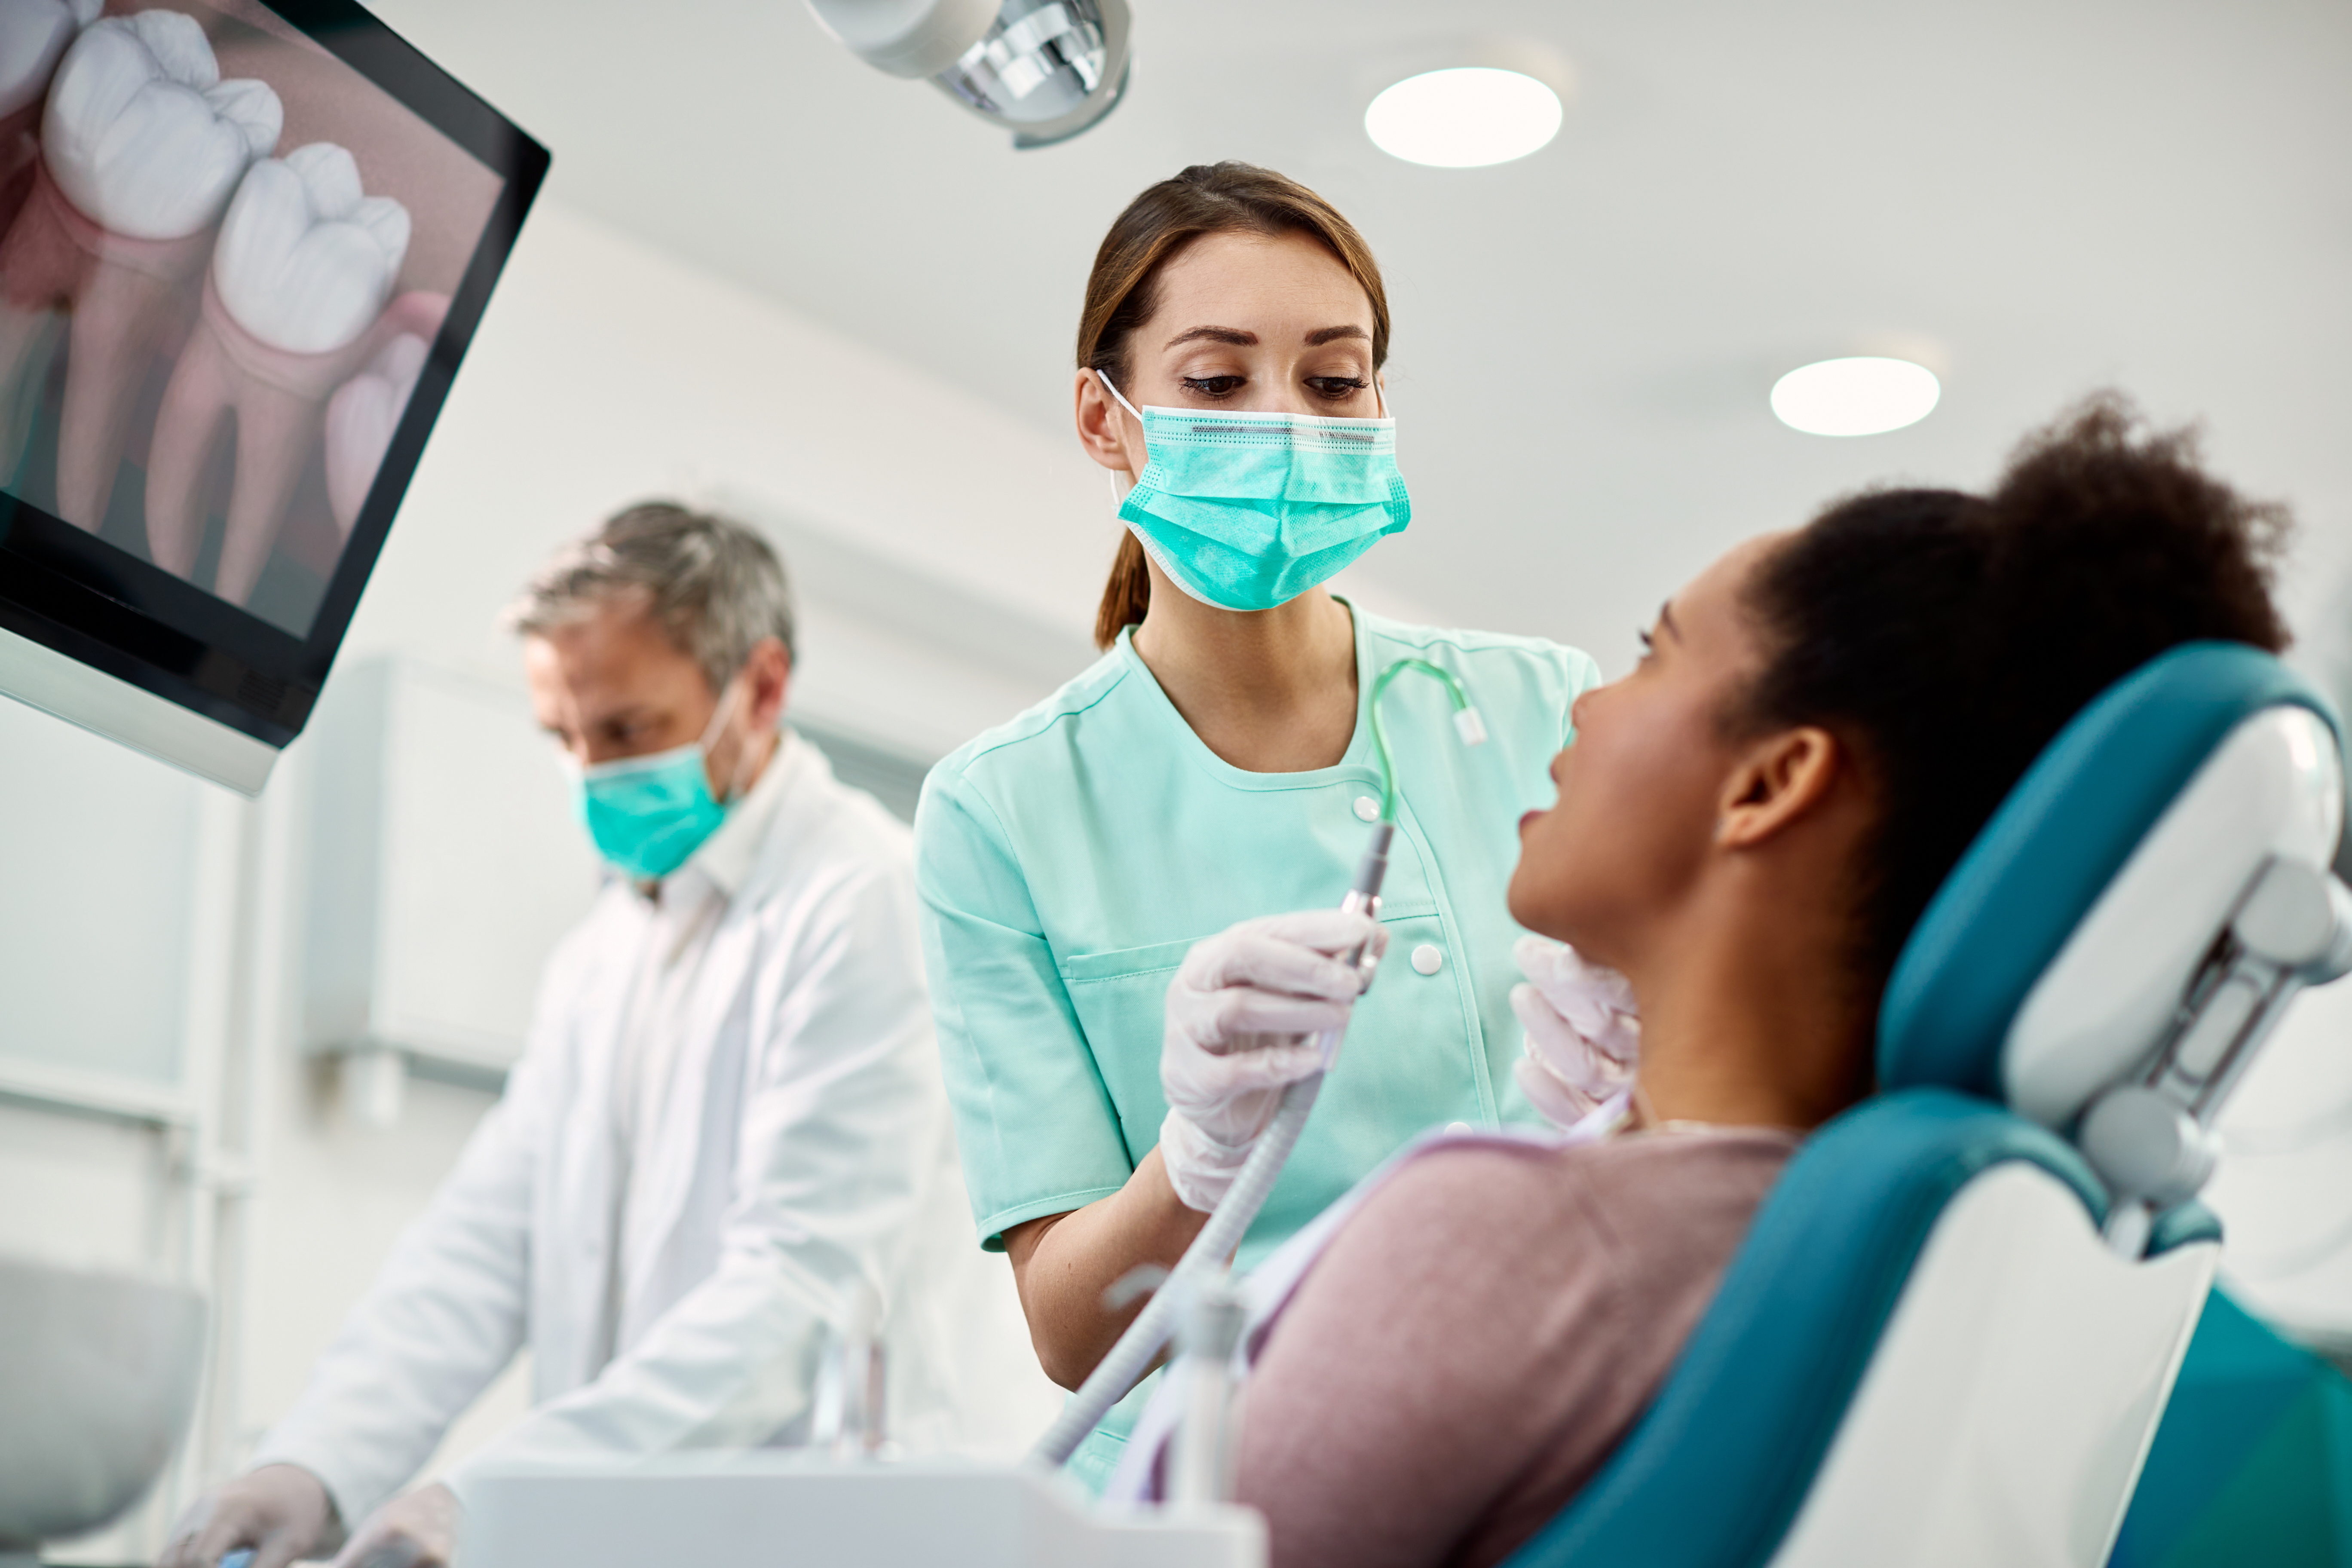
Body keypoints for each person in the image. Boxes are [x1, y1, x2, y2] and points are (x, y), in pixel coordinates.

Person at [1203, 397, 2291, 1568]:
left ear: (1768, 783)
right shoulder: (1916, 1269)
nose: (1587, 704)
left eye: (1651, 650)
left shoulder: (1522, 1246)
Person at [912, 161, 1626, 1489]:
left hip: (1549, 1439)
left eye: (1334, 379)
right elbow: (1074, 1334)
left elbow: (1726, 1113)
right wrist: (1199, 1153)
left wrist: (1660, 1083)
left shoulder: (1544, 704)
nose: (1289, 424)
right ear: (1105, 420)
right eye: (1219, 381)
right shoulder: (1000, 810)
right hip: (1224, 1486)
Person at [164, 504, 1008, 1568]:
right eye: (563, 739)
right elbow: (484, 1246)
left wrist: (496, 1498)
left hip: (817, 1537)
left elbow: (798, 1290)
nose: (592, 774)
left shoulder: (863, 902)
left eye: (626, 732)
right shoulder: (600, 953)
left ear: (762, 688)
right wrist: (314, 1465)